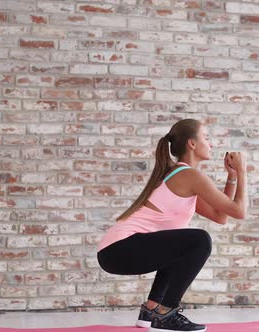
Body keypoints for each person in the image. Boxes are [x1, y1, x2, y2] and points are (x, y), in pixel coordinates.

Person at [96, 119, 248, 332]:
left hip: (113, 251)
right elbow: (240, 211)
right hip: (120, 249)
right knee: (199, 240)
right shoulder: (189, 175)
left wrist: (231, 176)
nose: (211, 143)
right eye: (206, 137)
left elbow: (220, 216)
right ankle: (165, 314)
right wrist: (243, 172)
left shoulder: (182, 175)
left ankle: (150, 310)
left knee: (179, 245)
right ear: (192, 144)